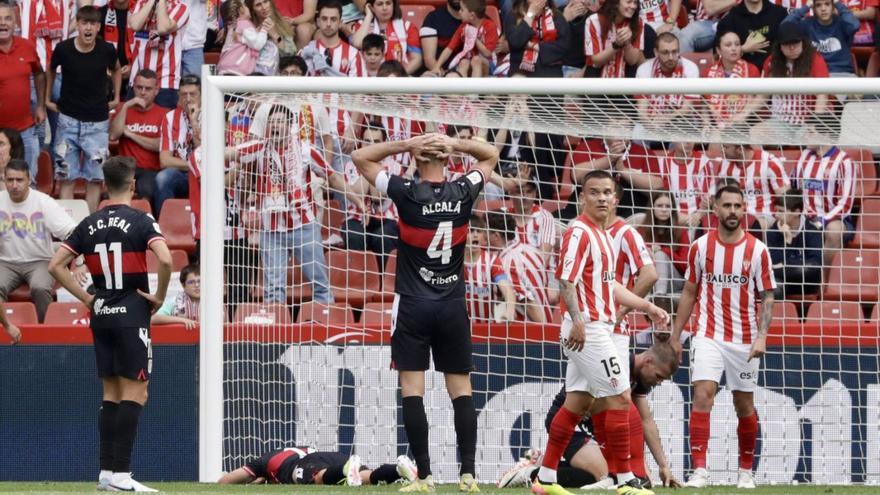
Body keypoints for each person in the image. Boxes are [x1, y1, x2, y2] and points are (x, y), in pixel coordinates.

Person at [352, 133, 499, 492]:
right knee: (461, 391)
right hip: (451, 305)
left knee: (412, 391)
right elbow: (491, 154)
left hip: (413, 304)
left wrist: (404, 145)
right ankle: (468, 475)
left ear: (417, 161)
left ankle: (426, 477)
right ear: (447, 162)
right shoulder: (464, 190)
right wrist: (458, 144)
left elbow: (360, 157)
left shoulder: (404, 191)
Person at [530, 169, 668, 495]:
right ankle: (624, 480)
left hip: (595, 326)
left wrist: (646, 307)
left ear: (615, 197)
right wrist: (577, 320)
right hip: (588, 329)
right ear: (582, 197)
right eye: (594, 192)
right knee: (620, 397)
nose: (602, 198)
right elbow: (566, 280)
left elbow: (610, 286)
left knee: (578, 401)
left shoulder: (604, 235)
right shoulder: (578, 232)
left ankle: (545, 479)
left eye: (607, 192)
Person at [48, 156, 173, 493]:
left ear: (105, 185)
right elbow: (165, 258)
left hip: (101, 311)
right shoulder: (142, 219)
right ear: (133, 185)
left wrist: (87, 299)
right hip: (132, 310)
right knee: (137, 391)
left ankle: (106, 472)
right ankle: (122, 473)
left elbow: (56, 265)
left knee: (111, 394)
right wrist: (159, 296)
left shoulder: (89, 223)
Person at [669, 184, 776, 490]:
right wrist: (677, 336)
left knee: (744, 404)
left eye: (737, 206)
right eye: (726, 205)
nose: (732, 211)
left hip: (744, 339)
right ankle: (700, 471)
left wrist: (762, 336)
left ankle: (745, 472)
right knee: (703, 393)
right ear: (715, 209)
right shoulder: (700, 247)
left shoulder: (758, 250)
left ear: (744, 210)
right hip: (708, 334)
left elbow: (767, 296)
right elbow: (689, 291)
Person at [498, 343, 682, 489]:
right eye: (659, 376)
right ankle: (528, 473)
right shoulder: (618, 367)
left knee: (638, 477)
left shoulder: (639, 379)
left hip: (596, 429)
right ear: (648, 361)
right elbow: (593, 405)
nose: (658, 383)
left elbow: (646, 420)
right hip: (571, 424)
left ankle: (542, 463)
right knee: (609, 475)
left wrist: (663, 465)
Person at [48, 6, 122, 213]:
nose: (88, 28)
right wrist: (46, 98)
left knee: (95, 178)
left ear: (98, 27)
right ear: (77, 25)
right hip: (67, 121)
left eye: (93, 24)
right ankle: (67, 229)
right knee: (66, 177)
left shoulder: (107, 49)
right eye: (84, 23)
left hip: (97, 124)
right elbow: (50, 70)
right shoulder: (63, 49)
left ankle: (90, 227)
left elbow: (117, 69)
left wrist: (116, 97)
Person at [0, 159, 77, 322]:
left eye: (19, 180)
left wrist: (81, 263)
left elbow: (72, 232)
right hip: (5, 262)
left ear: (29, 180)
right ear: (4, 180)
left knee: (40, 287)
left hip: (40, 261)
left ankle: (45, 331)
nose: (14, 185)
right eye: (10, 180)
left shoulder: (44, 202)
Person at [793, 123, 857, 266]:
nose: (805, 136)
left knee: (834, 231)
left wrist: (822, 220)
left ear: (826, 135)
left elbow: (845, 204)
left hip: (834, 219)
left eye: (810, 131)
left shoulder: (845, 162)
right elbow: (795, 189)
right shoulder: (803, 156)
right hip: (804, 216)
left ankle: (825, 279)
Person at [756, 23, 830, 143]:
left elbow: (822, 96)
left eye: (795, 43)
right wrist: (741, 115)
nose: (792, 48)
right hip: (780, 121)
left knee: (812, 138)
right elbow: (762, 96)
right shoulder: (771, 62)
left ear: (803, 42)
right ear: (779, 46)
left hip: (808, 120)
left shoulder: (815, 59)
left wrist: (816, 122)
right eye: (787, 44)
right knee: (756, 133)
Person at [341, 123, 401, 264]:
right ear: (361, 142)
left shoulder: (394, 167)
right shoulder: (349, 166)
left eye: (376, 142)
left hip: (386, 219)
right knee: (355, 235)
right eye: (367, 141)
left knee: (382, 237)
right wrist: (365, 163)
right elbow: (359, 194)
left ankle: (382, 281)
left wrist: (372, 163)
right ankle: (359, 281)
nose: (371, 146)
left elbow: (377, 197)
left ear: (384, 144)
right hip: (356, 217)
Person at [0, 3, 47, 177]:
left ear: (15, 23)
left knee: (29, 181)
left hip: (25, 130)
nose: (3, 23)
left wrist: (41, 106)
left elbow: (40, 74)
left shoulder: (27, 46)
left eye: (7, 18)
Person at [219, 447, 418, 486]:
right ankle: (398, 468)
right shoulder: (299, 449)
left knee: (318, 479)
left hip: (304, 465)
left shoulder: (265, 462)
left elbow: (224, 482)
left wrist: (255, 482)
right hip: (332, 455)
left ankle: (345, 469)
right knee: (365, 478)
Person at [109, 69, 166, 203]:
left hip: (150, 170)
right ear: (133, 87)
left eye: (148, 89)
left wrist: (130, 134)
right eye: (139, 87)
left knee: (146, 190)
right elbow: (113, 135)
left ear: (156, 90)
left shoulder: (164, 114)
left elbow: (160, 145)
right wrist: (126, 106)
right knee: (112, 192)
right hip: (126, 169)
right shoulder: (123, 109)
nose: (143, 92)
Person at [487, 210, 555, 322]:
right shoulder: (529, 250)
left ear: (495, 236)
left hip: (532, 329)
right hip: (546, 317)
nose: (483, 235)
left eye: (485, 231)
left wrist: (546, 331)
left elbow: (527, 302)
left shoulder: (508, 263)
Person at [634, 32, 699, 141]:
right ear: (655, 52)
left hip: (680, 120)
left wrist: (665, 118)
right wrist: (649, 124)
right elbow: (641, 109)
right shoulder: (644, 69)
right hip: (651, 119)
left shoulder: (690, 68)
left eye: (674, 52)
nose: (671, 57)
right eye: (665, 52)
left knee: (685, 128)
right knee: (637, 133)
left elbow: (687, 108)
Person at [128, 0, 191, 109]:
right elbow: (135, 24)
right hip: (138, 81)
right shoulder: (141, 3)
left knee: (162, 124)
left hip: (165, 83)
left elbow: (163, 27)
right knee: (134, 124)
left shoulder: (180, 7)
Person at [713, 142, 790, 230]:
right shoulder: (724, 165)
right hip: (734, 213)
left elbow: (785, 197)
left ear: (740, 150)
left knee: (755, 227)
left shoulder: (769, 162)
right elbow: (719, 196)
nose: (721, 151)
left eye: (725, 147)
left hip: (763, 215)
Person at [156, 74, 201, 216]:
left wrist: (194, 124)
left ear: (201, 95)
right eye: (183, 94)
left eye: (192, 94)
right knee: (163, 178)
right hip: (182, 173)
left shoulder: (212, 114)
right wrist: (192, 165)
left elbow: (205, 157)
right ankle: (164, 226)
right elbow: (165, 160)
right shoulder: (170, 118)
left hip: (206, 175)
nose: (188, 99)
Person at [766, 190, 823, 298]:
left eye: (781, 211)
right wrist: (787, 241)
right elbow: (773, 263)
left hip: (807, 282)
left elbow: (815, 264)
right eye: (776, 210)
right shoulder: (772, 233)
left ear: (797, 211)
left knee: (809, 268)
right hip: (783, 282)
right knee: (774, 287)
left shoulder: (811, 231)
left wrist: (783, 265)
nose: (777, 215)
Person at [704, 30, 762, 133]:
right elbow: (705, 104)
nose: (734, 48)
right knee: (715, 141)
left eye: (737, 44)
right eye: (728, 45)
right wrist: (706, 124)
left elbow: (755, 101)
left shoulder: (751, 70)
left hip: (746, 124)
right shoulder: (709, 73)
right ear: (718, 50)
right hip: (717, 127)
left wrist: (740, 117)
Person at [783, 0, 860, 75]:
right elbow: (784, 27)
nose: (823, 9)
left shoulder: (842, 23)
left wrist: (838, 4)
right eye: (818, 5)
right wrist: (805, 7)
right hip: (815, 75)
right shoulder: (807, 24)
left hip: (841, 73)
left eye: (827, 4)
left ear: (833, 7)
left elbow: (855, 25)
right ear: (813, 9)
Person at [464, 214, 517, 322]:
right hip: (460, 327)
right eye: (471, 231)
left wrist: (509, 311)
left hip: (486, 328)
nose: (475, 235)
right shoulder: (454, 261)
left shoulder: (492, 261)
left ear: (483, 236)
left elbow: (506, 287)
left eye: (478, 232)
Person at [351, 0, 423, 74]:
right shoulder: (362, 24)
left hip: (398, 79)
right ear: (372, 7)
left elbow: (417, 59)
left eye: (388, 3)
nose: (384, 8)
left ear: (393, 6)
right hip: (368, 79)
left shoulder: (407, 27)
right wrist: (369, 15)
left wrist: (398, 76)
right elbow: (357, 43)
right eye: (380, 4)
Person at [638, 192, 689, 295]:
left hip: (675, 280)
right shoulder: (641, 230)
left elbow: (685, 266)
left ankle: (660, 297)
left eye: (668, 206)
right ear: (652, 208)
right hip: (647, 278)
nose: (664, 209)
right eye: (660, 206)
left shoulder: (681, 231)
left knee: (660, 255)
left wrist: (663, 251)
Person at [430, 0, 498, 77]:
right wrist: (437, 66)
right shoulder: (464, 26)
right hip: (470, 60)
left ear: (472, 15)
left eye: (462, 10)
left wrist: (474, 38)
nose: (459, 12)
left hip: (488, 63)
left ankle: (476, 88)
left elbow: (487, 53)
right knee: (463, 62)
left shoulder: (490, 26)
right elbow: (449, 48)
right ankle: (462, 88)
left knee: (476, 60)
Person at [505, 0, 571, 77]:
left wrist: (535, 46)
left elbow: (564, 47)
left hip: (551, 71)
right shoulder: (513, 15)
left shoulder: (556, 16)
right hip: (521, 72)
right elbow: (515, 42)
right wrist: (530, 15)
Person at [300, 0, 368, 77]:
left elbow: (358, 87)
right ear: (318, 22)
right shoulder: (305, 52)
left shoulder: (354, 55)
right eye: (324, 19)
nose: (328, 24)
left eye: (333, 19)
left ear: (340, 23)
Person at [715, 0, 788, 69]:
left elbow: (790, 43)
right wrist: (743, 49)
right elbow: (718, 54)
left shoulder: (780, 13)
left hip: (776, 71)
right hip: (743, 74)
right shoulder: (730, 19)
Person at [584, 0, 647, 78]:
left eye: (635, 3)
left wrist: (627, 43)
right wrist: (616, 45)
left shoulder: (638, 22)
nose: (633, 6)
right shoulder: (594, 20)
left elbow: (632, 61)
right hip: (596, 75)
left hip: (626, 75)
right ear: (616, 3)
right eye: (629, 2)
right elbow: (596, 60)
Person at [217, 0, 271, 75]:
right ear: (241, 10)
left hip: (225, 69)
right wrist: (264, 30)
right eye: (245, 6)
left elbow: (245, 39)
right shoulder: (244, 24)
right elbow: (257, 44)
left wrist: (257, 31)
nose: (248, 7)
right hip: (236, 70)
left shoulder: (233, 27)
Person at [246, 0, 296, 75]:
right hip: (253, 73)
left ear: (271, 2)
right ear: (252, 10)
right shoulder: (248, 28)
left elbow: (290, 54)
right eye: (258, 5)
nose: (264, 7)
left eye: (265, 2)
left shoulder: (283, 25)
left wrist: (275, 35)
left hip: (276, 74)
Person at [152, 263, 200, 329]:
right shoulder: (174, 301)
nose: (197, 285)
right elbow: (154, 319)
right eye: (191, 282)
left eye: (200, 281)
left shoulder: (213, 302)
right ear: (183, 285)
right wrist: (183, 320)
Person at [420, 0, 464, 73]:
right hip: (439, 75)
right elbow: (429, 60)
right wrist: (447, 79)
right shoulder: (433, 18)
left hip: (469, 76)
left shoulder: (479, 19)